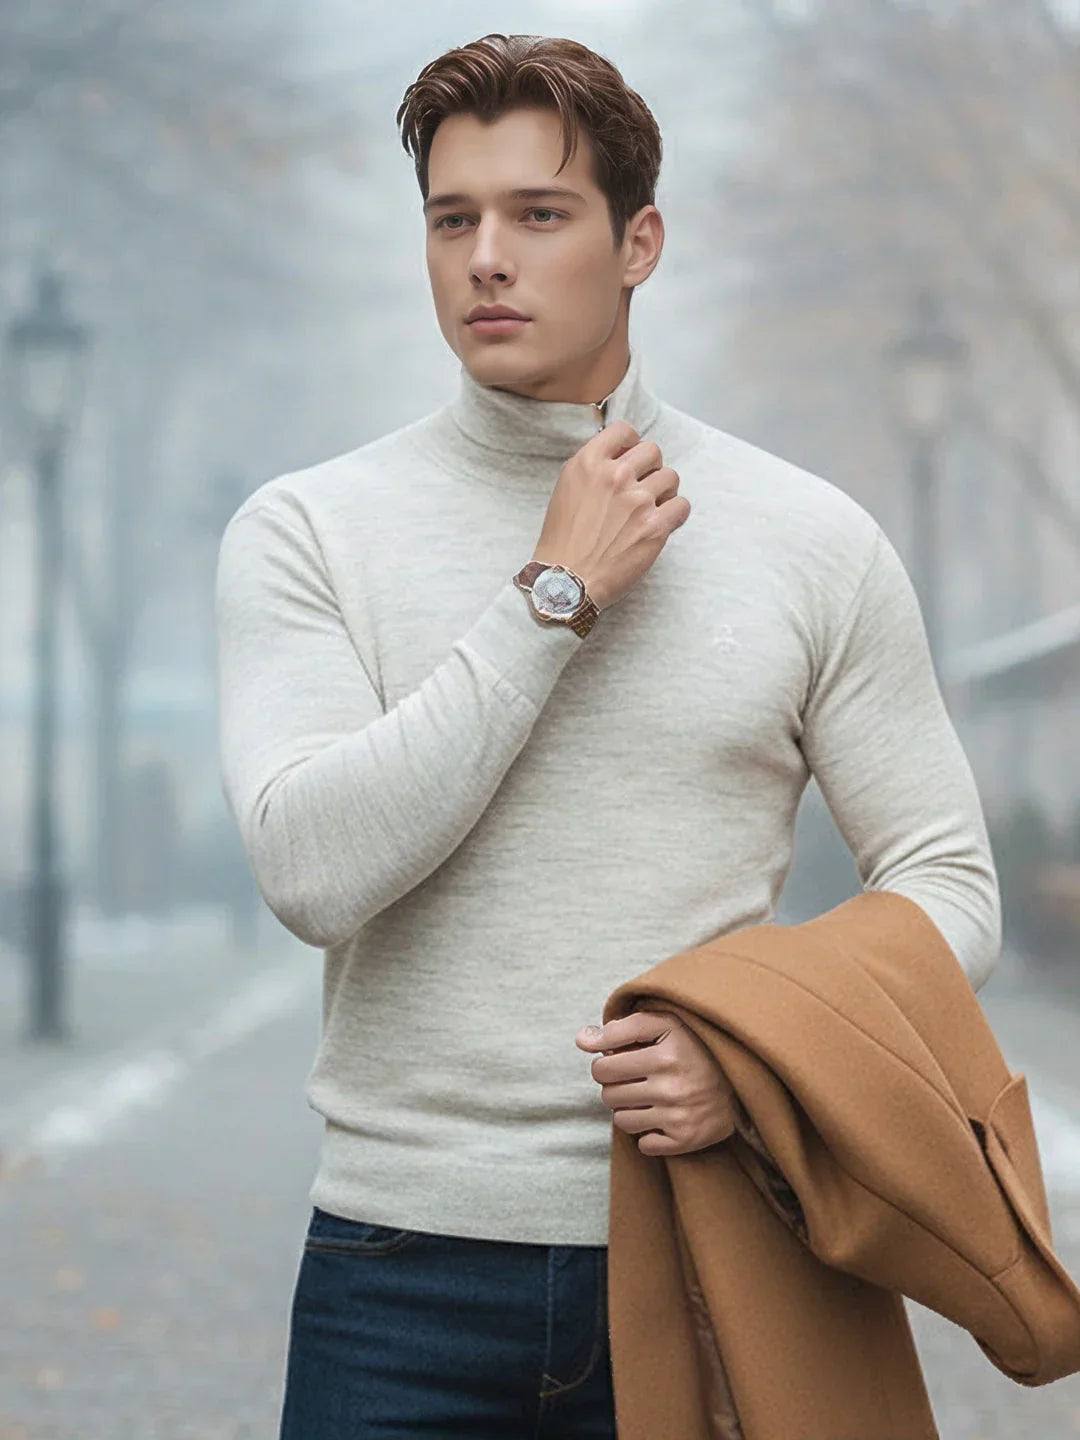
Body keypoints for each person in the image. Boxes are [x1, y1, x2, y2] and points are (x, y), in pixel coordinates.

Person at [213, 31, 1002, 1440]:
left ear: (640, 242)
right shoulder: (309, 530)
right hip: (397, 1280)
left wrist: (757, 1058)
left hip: (720, 1251)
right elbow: (309, 871)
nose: (487, 259)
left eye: (539, 214)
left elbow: (950, 882)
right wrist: (550, 600)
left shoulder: (810, 540)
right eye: (453, 219)